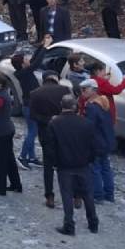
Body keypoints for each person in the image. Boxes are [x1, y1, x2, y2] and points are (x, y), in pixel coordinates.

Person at [49, 94, 99, 235]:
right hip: (83, 164)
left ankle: (69, 225)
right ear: (75, 106)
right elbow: (93, 146)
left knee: (66, 195)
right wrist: (89, 160)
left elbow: (51, 147)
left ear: (61, 105)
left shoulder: (54, 123)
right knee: (88, 194)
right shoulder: (87, 123)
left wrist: (55, 163)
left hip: (64, 165)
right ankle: (93, 223)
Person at [30, 74, 68, 208]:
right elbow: (70, 109)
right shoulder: (64, 90)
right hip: (63, 132)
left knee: (48, 166)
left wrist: (48, 119)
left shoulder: (34, 93)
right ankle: (74, 195)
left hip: (46, 133)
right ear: (55, 78)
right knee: (66, 164)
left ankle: (49, 196)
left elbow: (33, 115)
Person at [14, 37, 52, 169]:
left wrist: (41, 46)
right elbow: (36, 63)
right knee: (32, 132)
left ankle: (32, 157)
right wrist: (45, 47)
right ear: (22, 64)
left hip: (31, 105)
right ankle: (22, 156)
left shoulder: (23, 71)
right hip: (30, 106)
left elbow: (33, 60)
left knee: (32, 131)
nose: (27, 60)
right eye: (25, 59)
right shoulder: (24, 73)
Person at [80, 80, 116, 204]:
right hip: (106, 140)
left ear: (93, 90)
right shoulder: (104, 102)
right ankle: (109, 195)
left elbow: (89, 127)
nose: (82, 92)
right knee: (106, 168)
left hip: (96, 142)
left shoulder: (91, 107)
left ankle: (98, 195)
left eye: (85, 89)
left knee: (95, 169)